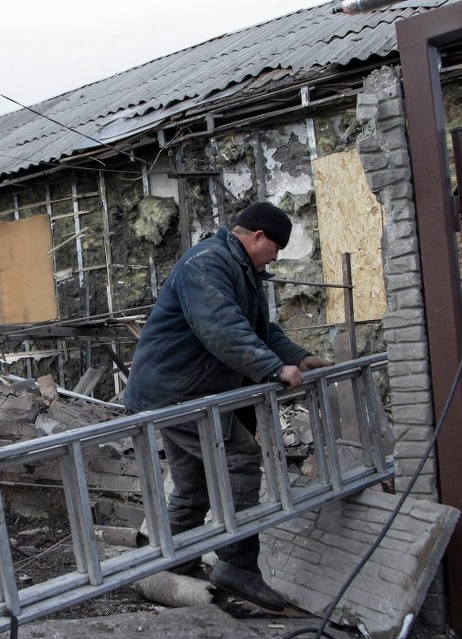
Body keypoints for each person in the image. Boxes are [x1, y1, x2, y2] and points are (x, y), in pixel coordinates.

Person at [123, 202, 332, 611]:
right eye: (274, 250)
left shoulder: (237, 268)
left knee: (194, 483)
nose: (274, 259)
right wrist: (273, 368)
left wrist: (296, 355)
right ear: (256, 237)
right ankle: (236, 568)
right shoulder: (207, 263)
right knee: (237, 457)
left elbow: (257, 326)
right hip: (179, 391)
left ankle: (170, 558)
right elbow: (221, 327)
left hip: (183, 389)